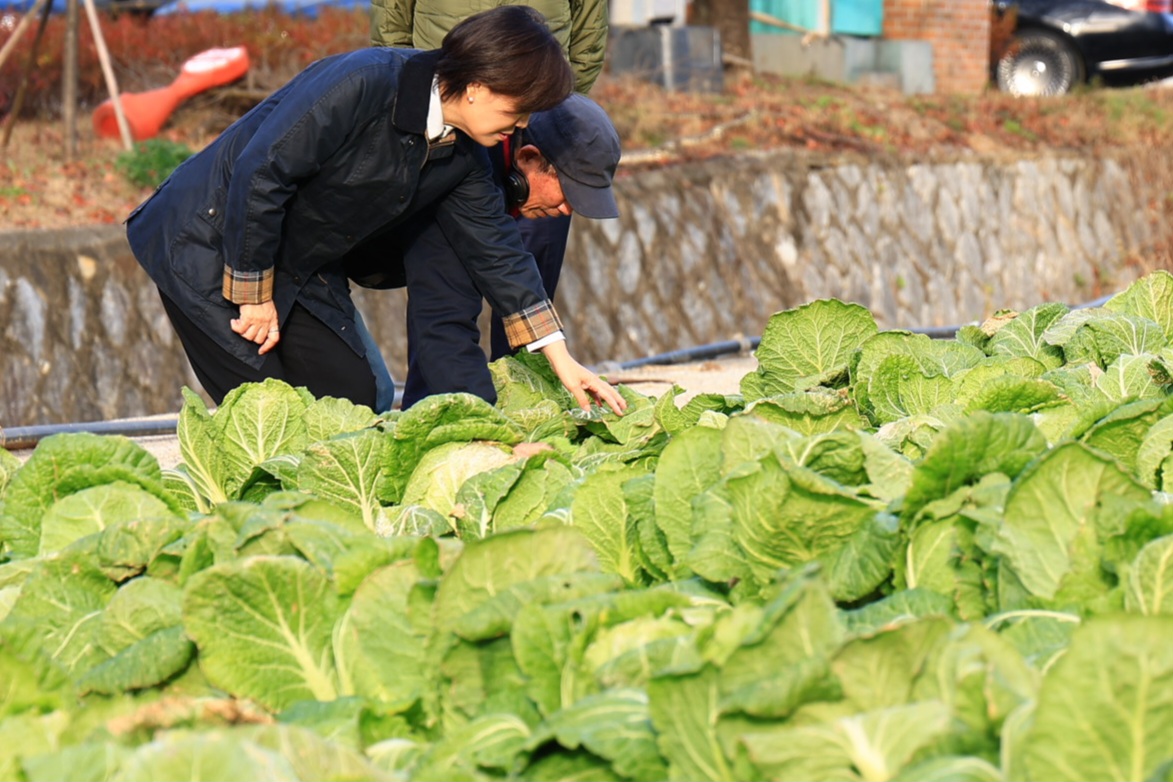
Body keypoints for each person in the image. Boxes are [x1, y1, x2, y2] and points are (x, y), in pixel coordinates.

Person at [124, 6, 625, 417]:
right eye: (517, 110)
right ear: (479, 86)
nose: (520, 127)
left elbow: (497, 251)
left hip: (297, 265)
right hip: (207, 242)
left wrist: (562, 358)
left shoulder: (463, 154)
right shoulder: (364, 81)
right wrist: (253, 295)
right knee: (273, 417)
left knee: (359, 402)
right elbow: (262, 172)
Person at [347, 93, 620, 408]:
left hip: (345, 259)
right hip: (301, 259)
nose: (567, 210)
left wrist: (560, 356)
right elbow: (445, 315)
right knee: (369, 392)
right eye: (568, 194)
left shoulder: (492, 176)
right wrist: (484, 425)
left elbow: (506, 266)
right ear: (529, 158)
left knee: (378, 390)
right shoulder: (458, 176)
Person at [370, 0, 608, 96]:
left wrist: (561, 99)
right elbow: (392, 23)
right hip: (443, 106)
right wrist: (413, 94)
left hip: (536, 111)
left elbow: (589, 33)